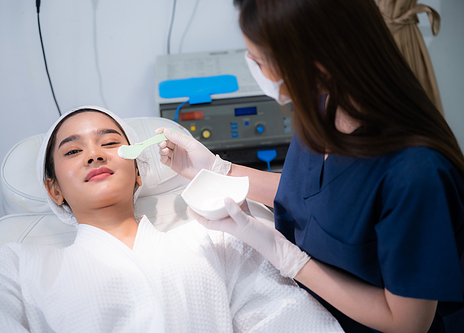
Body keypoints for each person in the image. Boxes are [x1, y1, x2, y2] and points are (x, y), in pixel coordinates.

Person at [156, 0, 464, 332]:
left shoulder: (414, 177)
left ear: (314, 64)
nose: (253, 68)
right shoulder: (323, 106)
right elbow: (315, 195)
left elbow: (407, 323)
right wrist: (219, 169)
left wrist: (286, 257)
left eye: (258, 60)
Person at [0, 106, 344, 333]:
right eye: (74, 150)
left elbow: (287, 318)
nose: (94, 155)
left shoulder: (214, 241)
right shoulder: (15, 268)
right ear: (54, 190)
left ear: (139, 173)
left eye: (110, 143)